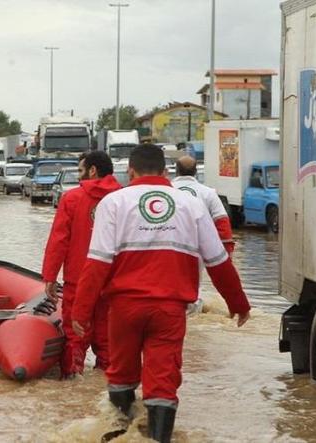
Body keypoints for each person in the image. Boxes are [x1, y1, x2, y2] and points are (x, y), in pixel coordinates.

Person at [71, 144, 250, 442]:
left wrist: (81, 311)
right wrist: (238, 303)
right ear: (165, 172)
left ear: (130, 171)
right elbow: (218, 261)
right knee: (163, 379)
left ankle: (123, 433)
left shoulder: (114, 203)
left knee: (121, 373)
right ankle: (158, 438)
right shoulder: (191, 205)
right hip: (170, 310)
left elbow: (97, 263)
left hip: (124, 309)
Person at [41, 151, 121, 378]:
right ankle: (106, 391)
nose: (79, 176)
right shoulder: (123, 199)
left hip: (78, 281)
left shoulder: (72, 199)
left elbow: (59, 241)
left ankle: (71, 387)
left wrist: (49, 277)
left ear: (92, 170)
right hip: (113, 283)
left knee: (75, 339)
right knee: (109, 343)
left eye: (80, 170)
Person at [173, 155, 235, 314]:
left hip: (167, 244)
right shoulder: (208, 193)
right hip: (197, 247)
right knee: (194, 284)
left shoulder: (165, 190)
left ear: (176, 170)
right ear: (196, 172)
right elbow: (222, 224)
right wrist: (225, 254)